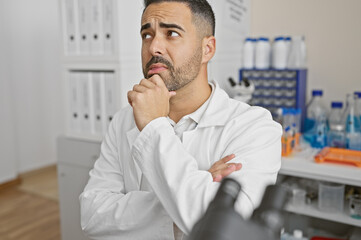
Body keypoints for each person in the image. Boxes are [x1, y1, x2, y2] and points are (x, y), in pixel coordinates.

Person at [80, 0, 282, 239]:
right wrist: (197, 187)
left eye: (171, 33)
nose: (154, 46)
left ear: (207, 49)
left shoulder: (254, 127)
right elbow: (92, 215)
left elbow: (225, 231)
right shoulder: (124, 119)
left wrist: (154, 127)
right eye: (147, 34)